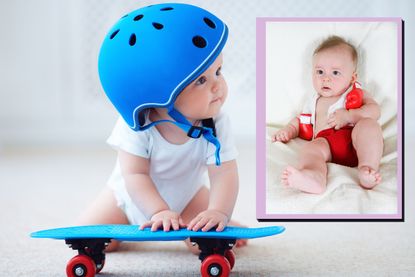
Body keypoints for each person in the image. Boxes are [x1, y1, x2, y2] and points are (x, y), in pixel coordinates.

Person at [77, 3, 246, 252]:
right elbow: (135, 175)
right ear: (158, 96)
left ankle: (223, 222)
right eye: (201, 79)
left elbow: (223, 173)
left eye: (218, 72)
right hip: (125, 201)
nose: (217, 85)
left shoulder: (216, 123)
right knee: (91, 240)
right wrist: (159, 211)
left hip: (188, 197)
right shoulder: (137, 126)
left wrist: (218, 211)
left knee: (206, 245)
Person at [272, 35, 383, 194]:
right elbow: (301, 120)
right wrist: (288, 130)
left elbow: (375, 111)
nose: (326, 78)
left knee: (370, 125)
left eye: (335, 72)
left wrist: (350, 116)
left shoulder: (356, 93)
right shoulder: (313, 101)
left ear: (352, 78)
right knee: (310, 148)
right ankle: (314, 177)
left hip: (355, 138)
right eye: (320, 71)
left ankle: (367, 168)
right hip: (327, 144)